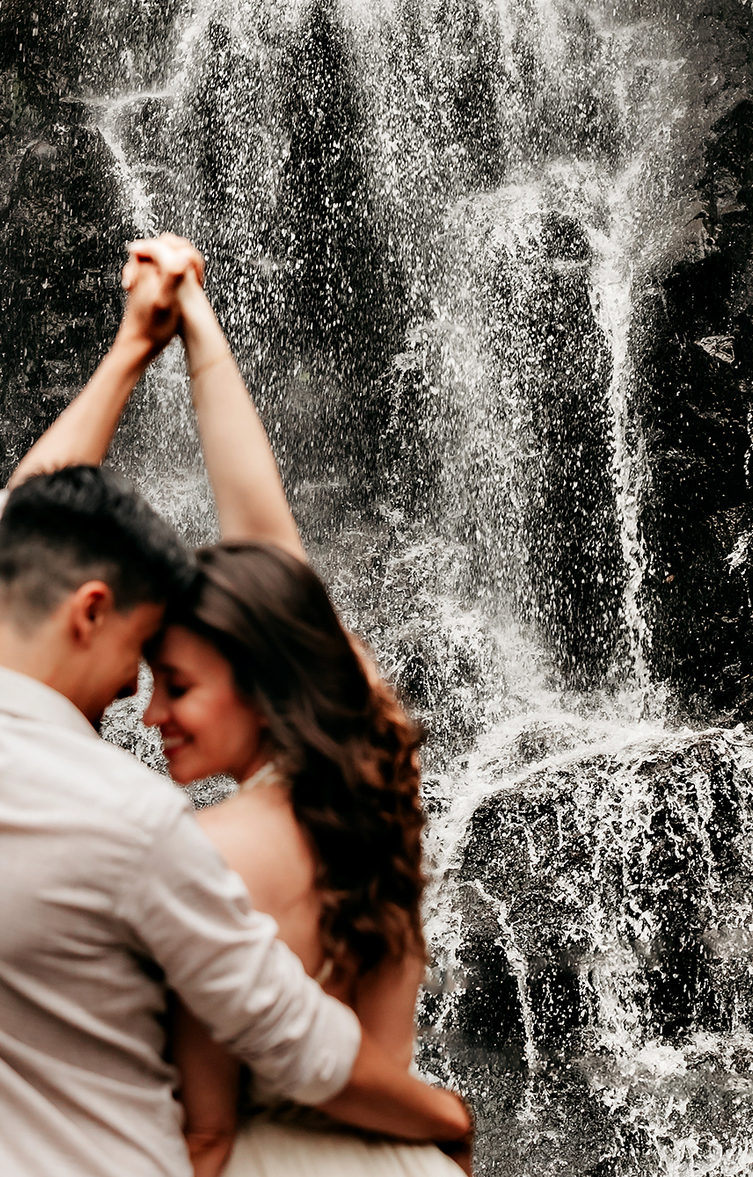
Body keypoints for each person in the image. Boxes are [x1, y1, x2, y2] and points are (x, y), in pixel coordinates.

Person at [0, 244, 471, 1177]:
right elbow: (295, 1043)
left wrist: (132, 347)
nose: (139, 697)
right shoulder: (150, 824)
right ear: (91, 612)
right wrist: (450, 1120)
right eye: (143, 657)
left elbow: (7, 538)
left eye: (176, 680)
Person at [129, 235, 466, 1177]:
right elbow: (269, 542)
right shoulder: (378, 779)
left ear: (267, 681)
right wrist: (198, 323)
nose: (150, 715)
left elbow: (203, 1134)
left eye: (177, 686)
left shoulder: (204, 853)